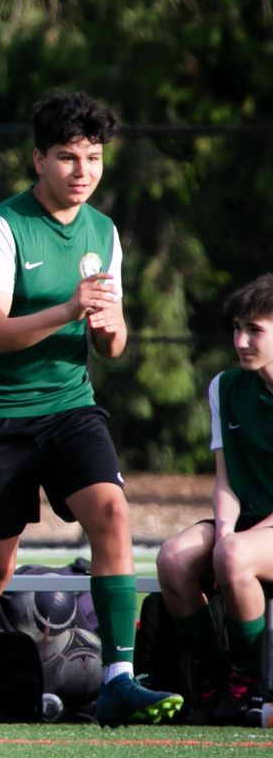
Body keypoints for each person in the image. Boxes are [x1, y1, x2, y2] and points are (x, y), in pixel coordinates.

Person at [0, 91, 181, 728]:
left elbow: (114, 343)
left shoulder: (104, 231)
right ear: (37, 159)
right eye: (67, 157)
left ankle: (119, 679)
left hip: (69, 406)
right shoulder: (2, 227)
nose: (82, 172)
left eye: (93, 158)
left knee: (112, 513)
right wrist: (70, 310)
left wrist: (110, 325)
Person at [155, 272, 273, 717]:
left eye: (255, 330)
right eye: (237, 329)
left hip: (267, 531)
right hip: (247, 525)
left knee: (233, 556)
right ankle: (212, 678)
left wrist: (235, 543)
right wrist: (225, 527)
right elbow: (225, 479)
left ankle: (251, 681)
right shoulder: (224, 387)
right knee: (172, 558)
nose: (241, 340)